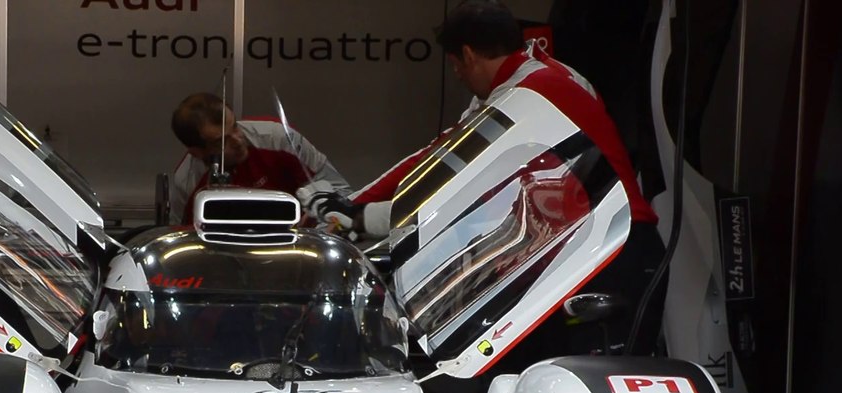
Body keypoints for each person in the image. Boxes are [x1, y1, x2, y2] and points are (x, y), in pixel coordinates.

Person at [304, 0, 666, 361]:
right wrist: (352, 206)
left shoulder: (523, 97)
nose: (458, 76)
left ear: (468, 55)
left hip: (610, 251)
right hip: (591, 250)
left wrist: (361, 217)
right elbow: (440, 158)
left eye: (455, 65)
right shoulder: (540, 79)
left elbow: (456, 192)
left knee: (584, 381)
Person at [168, 92, 351, 226]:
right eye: (221, 141)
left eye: (235, 126)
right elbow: (183, 238)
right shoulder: (187, 181)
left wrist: (318, 225)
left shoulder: (279, 139)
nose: (238, 140)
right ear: (197, 152)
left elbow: (343, 194)